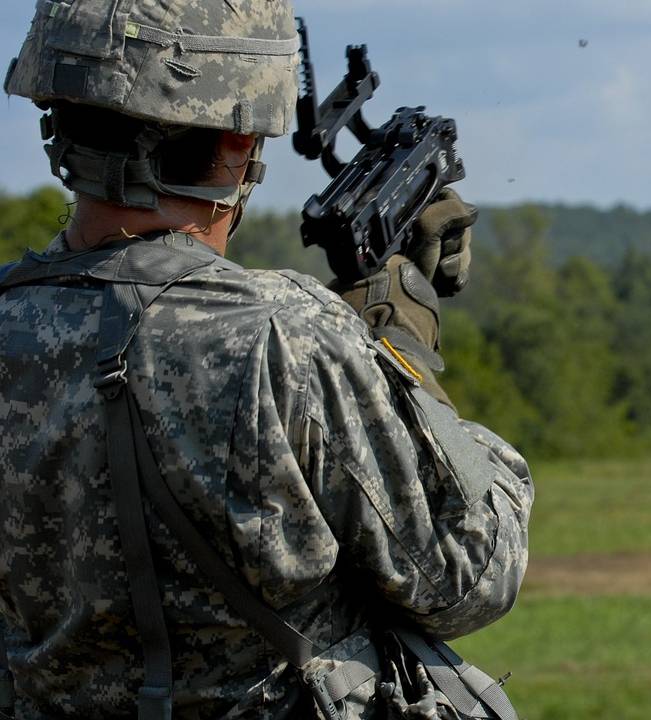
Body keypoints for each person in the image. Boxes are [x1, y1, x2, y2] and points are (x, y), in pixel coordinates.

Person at [0, 2, 533, 718]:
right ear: (238, 139)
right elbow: (469, 574)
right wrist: (403, 360)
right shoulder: (287, 334)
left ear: (58, 117)